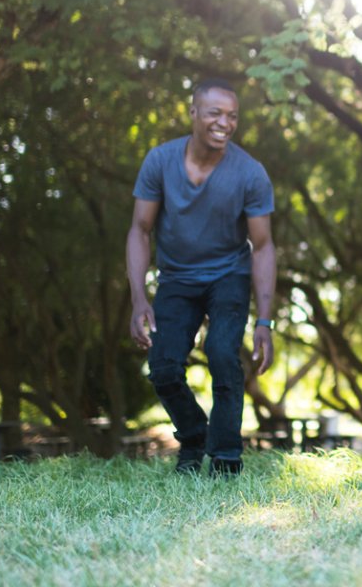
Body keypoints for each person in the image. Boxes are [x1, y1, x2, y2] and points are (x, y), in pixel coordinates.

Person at [127, 78, 276, 476]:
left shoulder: (250, 173)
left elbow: (262, 247)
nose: (224, 123)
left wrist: (264, 321)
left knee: (223, 354)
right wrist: (139, 298)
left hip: (228, 275)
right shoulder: (160, 161)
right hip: (176, 278)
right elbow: (140, 229)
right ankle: (193, 438)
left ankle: (226, 457)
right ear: (193, 112)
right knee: (163, 367)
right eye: (214, 113)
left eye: (232, 116)